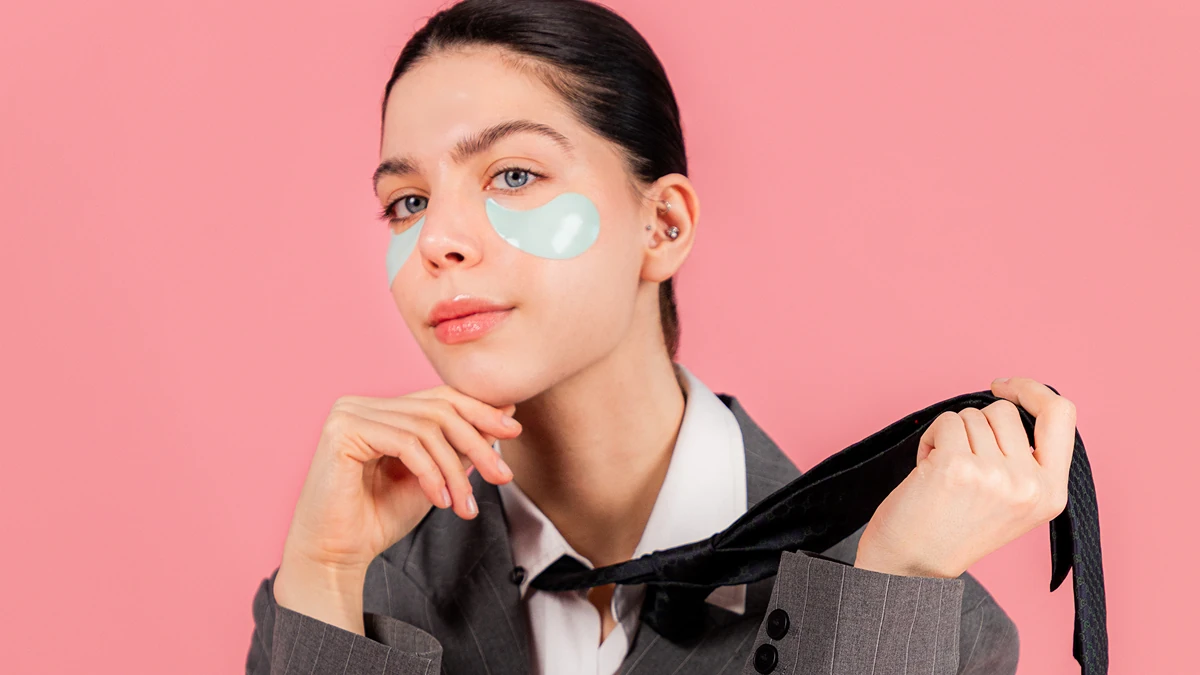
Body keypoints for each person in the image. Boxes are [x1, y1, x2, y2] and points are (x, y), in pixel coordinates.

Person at [246, 1, 1078, 673]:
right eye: (407, 201)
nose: (436, 240)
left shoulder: (914, 603)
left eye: (514, 174)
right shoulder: (341, 596)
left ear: (664, 224)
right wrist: (323, 573)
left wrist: (891, 592)